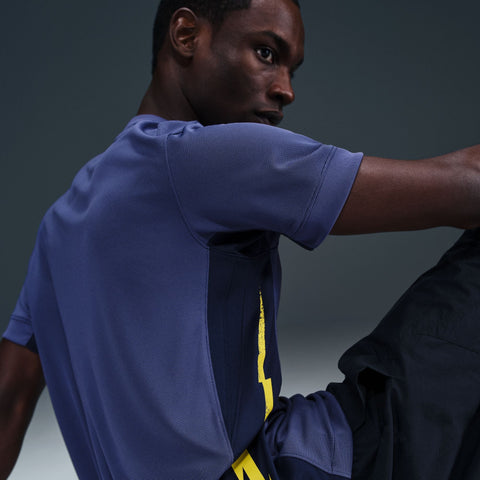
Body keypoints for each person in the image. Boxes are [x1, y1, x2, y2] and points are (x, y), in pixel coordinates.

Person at [1, 0, 479, 479]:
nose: (286, 89)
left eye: (291, 69)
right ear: (186, 35)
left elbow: (9, 400)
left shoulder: (59, 227)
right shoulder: (204, 156)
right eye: (267, 53)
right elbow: (469, 184)